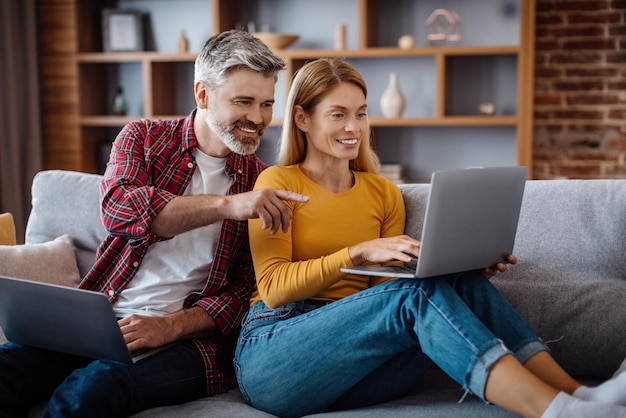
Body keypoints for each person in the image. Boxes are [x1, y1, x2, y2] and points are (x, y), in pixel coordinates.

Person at [233, 58, 626, 418]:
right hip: (276, 352)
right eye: (338, 114)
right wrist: (356, 252)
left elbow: (381, 296)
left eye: (361, 114)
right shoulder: (278, 182)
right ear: (302, 118)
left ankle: (581, 395)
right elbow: (274, 288)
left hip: (354, 362)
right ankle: (556, 412)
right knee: (414, 296)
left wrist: (463, 268)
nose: (353, 127)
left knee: (454, 282)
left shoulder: (383, 193)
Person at [0, 30, 308, 417]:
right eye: (243, 102)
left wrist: (168, 327)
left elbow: (243, 294)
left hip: (186, 344)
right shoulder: (143, 139)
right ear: (202, 95)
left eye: (267, 104)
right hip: (99, 323)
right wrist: (228, 205)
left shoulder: (262, 182)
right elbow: (119, 210)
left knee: (91, 392)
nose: (259, 119)